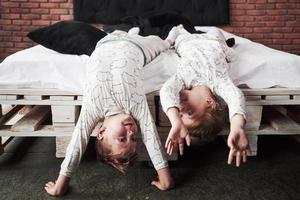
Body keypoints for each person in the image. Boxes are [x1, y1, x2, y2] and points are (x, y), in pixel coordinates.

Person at [44, 27, 179, 196]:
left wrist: (61, 184)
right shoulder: (135, 104)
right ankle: (166, 37)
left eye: (122, 138)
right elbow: (151, 136)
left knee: (118, 32)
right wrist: (166, 179)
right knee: (160, 44)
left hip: (104, 43)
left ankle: (132, 32)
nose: (131, 131)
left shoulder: (93, 107)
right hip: (138, 47)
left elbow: (77, 144)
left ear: (101, 132)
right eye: (134, 138)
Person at [160, 25, 250, 167]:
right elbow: (235, 97)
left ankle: (181, 29)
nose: (181, 110)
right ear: (210, 102)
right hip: (212, 41)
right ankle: (220, 42)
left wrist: (175, 120)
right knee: (216, 31)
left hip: (187, 42)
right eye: (190, 112)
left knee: (178, 35)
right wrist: (237, 127)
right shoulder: (219, 82)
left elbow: (166, 90)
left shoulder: (183, 79)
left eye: (181, 115)